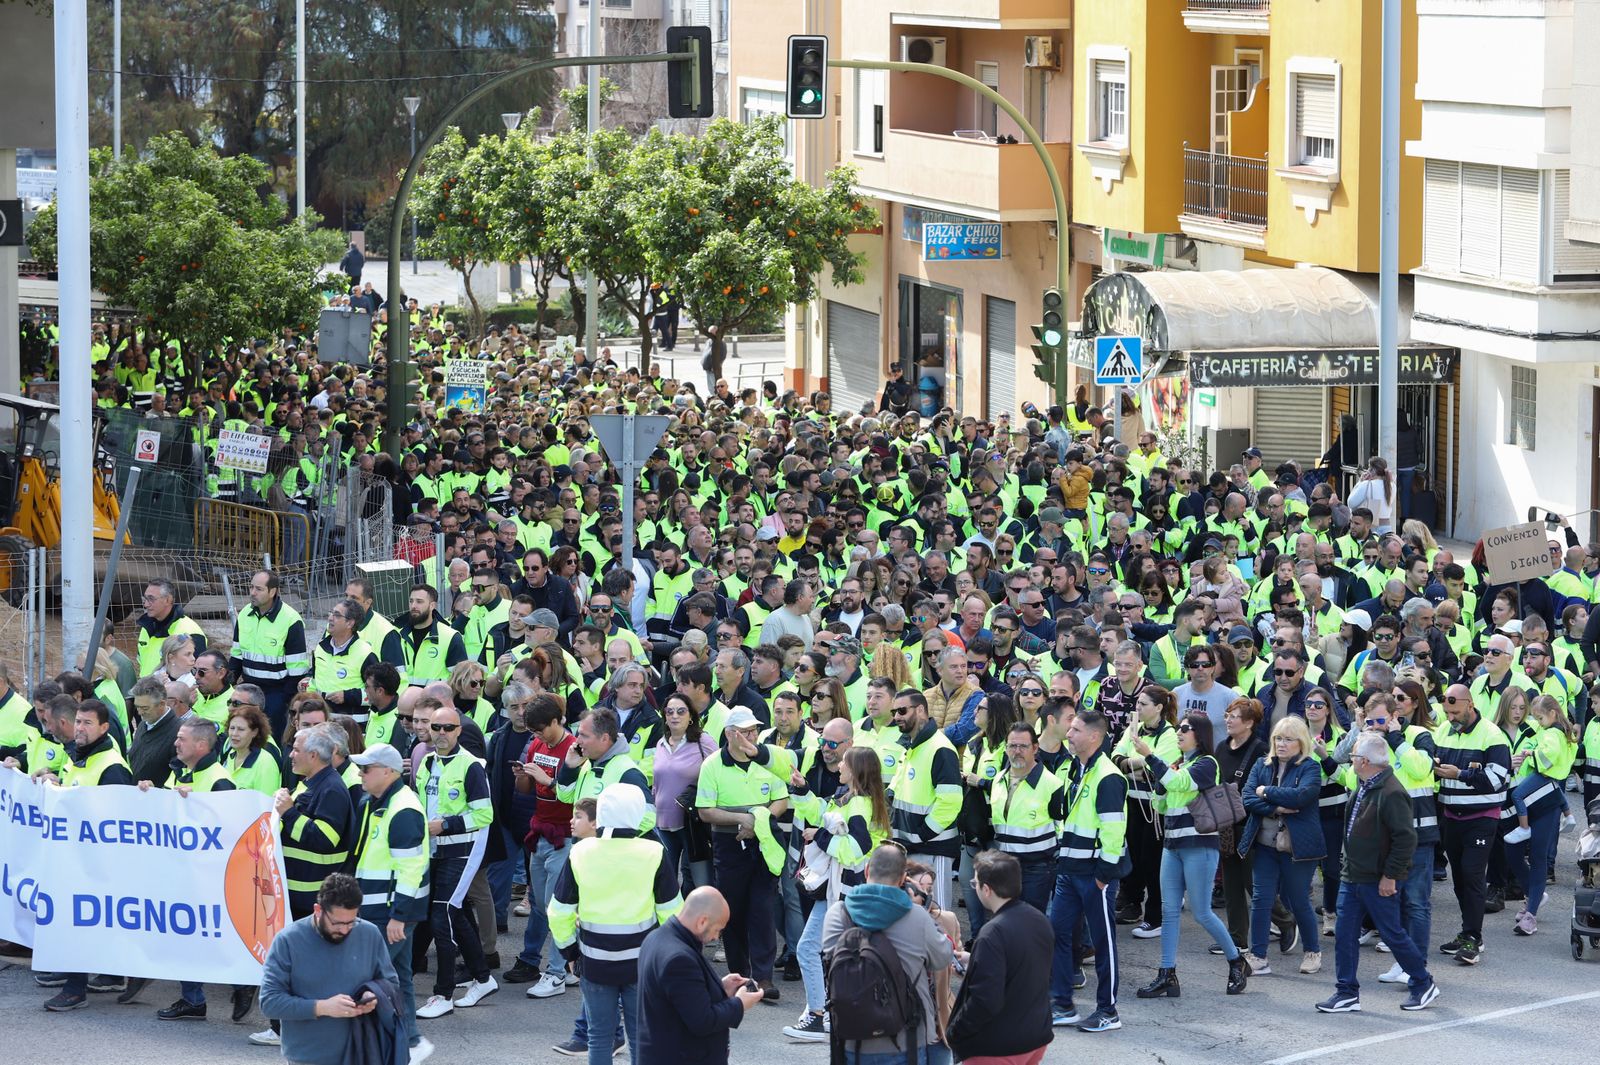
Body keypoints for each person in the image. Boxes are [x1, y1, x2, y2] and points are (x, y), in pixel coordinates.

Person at [549, 783, 684, 1065]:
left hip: (593, 960)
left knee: (599, 1037)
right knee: (640, 1037)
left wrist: (569, 953)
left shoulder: (581, 852)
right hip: (641, 962)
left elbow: (559, 911)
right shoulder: (654, 852)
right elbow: (672, 914)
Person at [1316, 733, 1441, 1014]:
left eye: (1353, 757)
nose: (1350, 762)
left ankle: (1422, 983)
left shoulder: (1391, 792)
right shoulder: (1365, 785)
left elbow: (1405, 840)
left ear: (1365, 761)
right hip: (1354, 875)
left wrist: (1391, 876)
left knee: (1393, 933)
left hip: (1376, 878)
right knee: (1345, 935)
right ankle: (1346, 991)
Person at [1136, 712, 1249, 999]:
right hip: (1173, 845)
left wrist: (1151, 759)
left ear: (1199, 733)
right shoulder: (1179, 766)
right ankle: (1166, 973)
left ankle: (1236, 960)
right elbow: (1161, 805)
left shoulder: (1207, 763)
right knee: (1169, 911)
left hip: (1199, 845)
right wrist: (1160, 785)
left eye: (1185, 728)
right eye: (1177, 728)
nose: (1179, 732)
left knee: (1201, 912)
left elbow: (1181, 784)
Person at [820, 843, 955, 1065]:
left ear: (866, 871)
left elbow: (829, 960)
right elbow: (943, 956)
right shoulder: (917, 917)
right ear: (903, 879)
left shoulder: (838, 914)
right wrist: (923, 904)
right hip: (906, 1040)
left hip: (851, 1039)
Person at [39, 699, 134, 1011]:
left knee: (81, 923)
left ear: (104, 728)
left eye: (87, 723)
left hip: (97, 863)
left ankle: (76, 988)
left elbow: (117, 818)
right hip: (75, 857)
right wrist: (54, 784)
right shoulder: (76, 757)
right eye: (78, 722)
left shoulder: (112, 766)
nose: (79, 728)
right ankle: (102, 974)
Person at [259, 874, 411, 1065]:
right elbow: (269, 1002)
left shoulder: (369, 933)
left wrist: (373, 998)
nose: (345, 930)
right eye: (337, 923)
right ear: (318, 910)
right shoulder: (288, 940)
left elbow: (391, 985)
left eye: (351, 922)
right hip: (309, 1057)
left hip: (364, 1052)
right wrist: (322, 1007)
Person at [695, 705, 789, 1001]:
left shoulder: (766, 758)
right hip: (729, 843)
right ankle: (740, 974)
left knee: (762, 908)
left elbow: (781, 800)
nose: (753, 736)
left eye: (755, 730)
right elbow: (705, 811)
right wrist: (740, 820)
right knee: (733, 910)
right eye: (746, 731)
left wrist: (757, 821)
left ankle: (763, 976)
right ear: (730, 734)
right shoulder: (712, 764)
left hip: (763, 843)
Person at [349, 743, 432, 1061]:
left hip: (390, 911)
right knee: (398, 975)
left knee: (369, 977)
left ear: (389, 772)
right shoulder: (379, 801)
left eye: (367, 768)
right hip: (385, 908)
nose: (360, 773)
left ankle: (379, 1045)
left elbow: (411, 869)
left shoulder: (402, 808)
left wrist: (399, 915)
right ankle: (411, 1041)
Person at [1048, 707, 1128, 1034]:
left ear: (1094, 737)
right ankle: (1062, 1004)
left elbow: (1113, 831)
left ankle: (1108, 1011)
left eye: (1076, 730)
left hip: (1093, 875)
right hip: (1069, 869)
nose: (1069, 734)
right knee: (1057, 934)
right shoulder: (1075, 769)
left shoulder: (1108, 776)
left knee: (1103, 943)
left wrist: (1102, 876)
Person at [413, 704, 497, 1019]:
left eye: (449, 728)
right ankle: (484, 977)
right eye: (436, 728)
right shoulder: (427, 763)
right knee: (453, 912)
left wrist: (445, 825)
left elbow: (484, 814)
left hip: (461, 849)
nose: (442, 733)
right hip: (434, 849)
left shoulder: (471, 765)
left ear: (459, 730)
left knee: (442, 913)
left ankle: (443, 993)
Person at [946, 851, 1054, 1065]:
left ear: (986, 889)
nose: (974, 886)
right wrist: (975, 959)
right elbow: (1025, 966)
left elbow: (985, 1001)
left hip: (997, 1048)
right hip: (1035, 1037)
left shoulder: (991, 934)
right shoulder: (1038, 919)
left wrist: (954, 1031)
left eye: (975, 882)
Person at [636, 887, 764, 1065]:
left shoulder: (656, 938)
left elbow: (678, 997)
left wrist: (720, 988)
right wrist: (739, 1004)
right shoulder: (679, 959)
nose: (715, 937)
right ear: (702, 921)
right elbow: (703, 1021)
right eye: (718, 930)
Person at [1240, 716, 1325, 976]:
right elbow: (1246, 797)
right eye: (1278, 738)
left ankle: (1313, 951)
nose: (1282, 744)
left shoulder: (1310, 767)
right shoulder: (1261, 764)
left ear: (1301, 743)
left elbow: (1301, 797)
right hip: (1265, 845)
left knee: (1299, 900)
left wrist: (1264, 792)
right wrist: (1276, 805)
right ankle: (1258, 956)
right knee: (1261, 899)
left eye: (1289, 739)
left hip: (1297, 847)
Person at [1433, 681, 1511, 966]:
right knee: (1460, 878)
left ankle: (1473, 939)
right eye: (1447, 713)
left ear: (1469, 704)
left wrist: (1459, 774)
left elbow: (1497, 779)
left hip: (1482, 818)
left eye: (1455, 713)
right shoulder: (1443, 729)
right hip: (1451, 816)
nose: (1450, 719)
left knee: (1473, 874)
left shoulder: (1493, 735)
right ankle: (1466, 931)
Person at [888, 688, 963, 910]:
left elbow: (950, 803)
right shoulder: (912, 745)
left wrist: (922, 835)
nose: (896, 717)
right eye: (894, 712)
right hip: (913, 847)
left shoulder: (940, 748)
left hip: (933, 849)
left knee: (937, 913)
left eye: (902, 710)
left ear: (920, 710)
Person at [230, 569, 311, 738]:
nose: (252, 592)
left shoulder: (291, 620)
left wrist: (285, 702)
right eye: (251, 587)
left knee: (269, 740)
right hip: (249, 689)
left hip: (276, 695)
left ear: (272, 591)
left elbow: (297, 669)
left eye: (258, 589)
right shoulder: (245, 614)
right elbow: (236, 655)